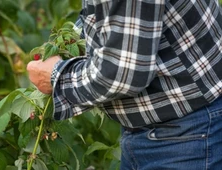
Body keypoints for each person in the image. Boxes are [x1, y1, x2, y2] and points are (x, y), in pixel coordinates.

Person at [27, 0, 222, 169]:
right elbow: (112, 17)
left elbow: (122, 75)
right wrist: (70, 42)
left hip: (186, 136)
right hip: (173, 127)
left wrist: (57, 76)